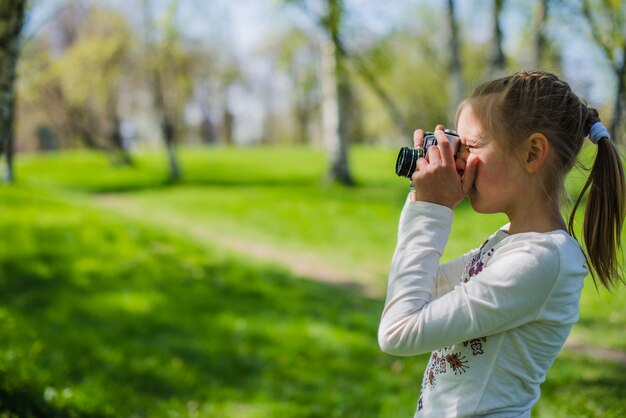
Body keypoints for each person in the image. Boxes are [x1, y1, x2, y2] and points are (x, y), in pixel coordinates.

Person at [378, 70, 625, 417]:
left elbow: (398, 331)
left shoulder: (541, 260)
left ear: (532, 153)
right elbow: (417, 292)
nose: (460, 161)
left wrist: (431, 209)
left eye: (471, 146)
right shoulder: (513, 242)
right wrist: (421, 197)